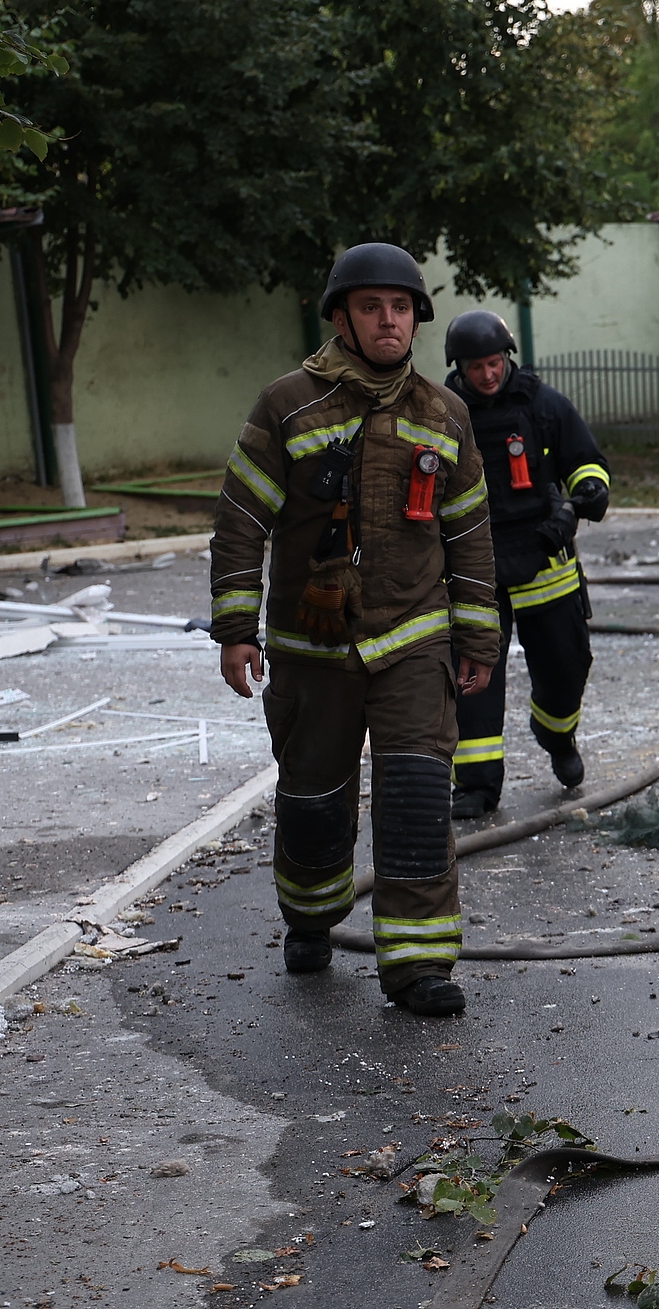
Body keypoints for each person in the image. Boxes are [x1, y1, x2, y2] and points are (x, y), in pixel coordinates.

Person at [208, 242, 501, 1018]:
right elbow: (241, 521)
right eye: (371, 307)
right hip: (313, 649)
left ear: (416, 319)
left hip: (413, 639)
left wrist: (478, 638)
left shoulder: (445, 414)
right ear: (340, 316)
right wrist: (237, 628)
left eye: (400, 307)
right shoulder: (287, 405)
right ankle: (309, 915)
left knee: (414, 799)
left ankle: (417, 965)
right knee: (315, 801)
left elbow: (470, 534)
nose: (388, 320)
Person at [442, 310, 612, 818]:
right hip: (475, 572)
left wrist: (585, 492)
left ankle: (557, 735)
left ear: (507, 358)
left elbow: (586, 461)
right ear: (460, 368)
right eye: (477, 367)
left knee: (566, 668)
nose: (489, 375)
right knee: (472, 680)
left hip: (546, 565)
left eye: (495, 364)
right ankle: (477, 784)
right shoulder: (443, 415)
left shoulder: (544, 406)